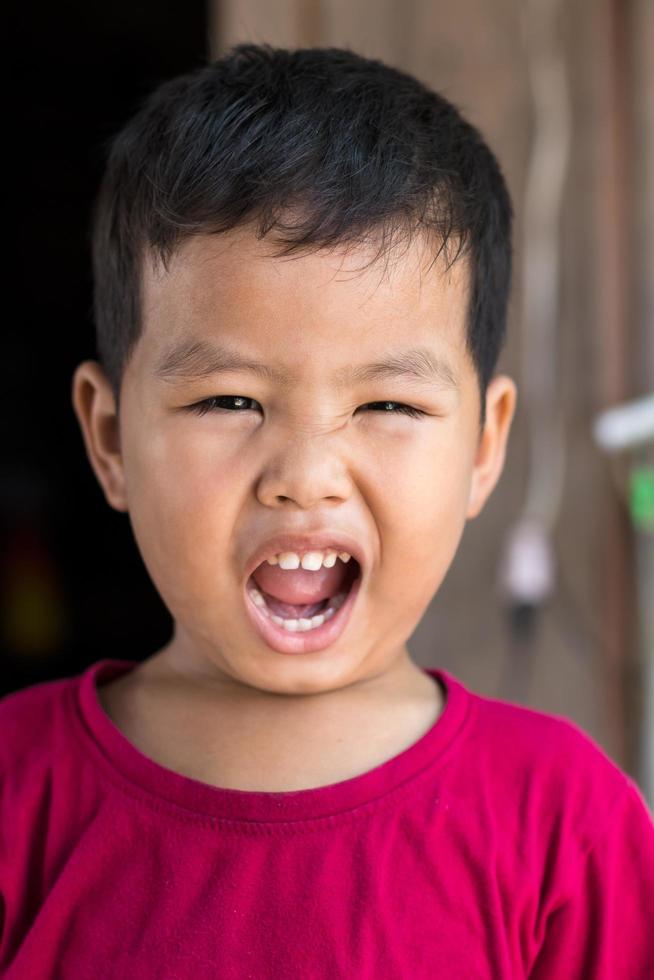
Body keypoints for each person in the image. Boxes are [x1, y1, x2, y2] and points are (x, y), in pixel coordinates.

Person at [1, 43, 652, 979]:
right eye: (228, 400)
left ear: (482, 445)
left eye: (388, 406)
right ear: (109, 438)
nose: (306, 477)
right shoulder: (17, 803)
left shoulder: (564, 825)